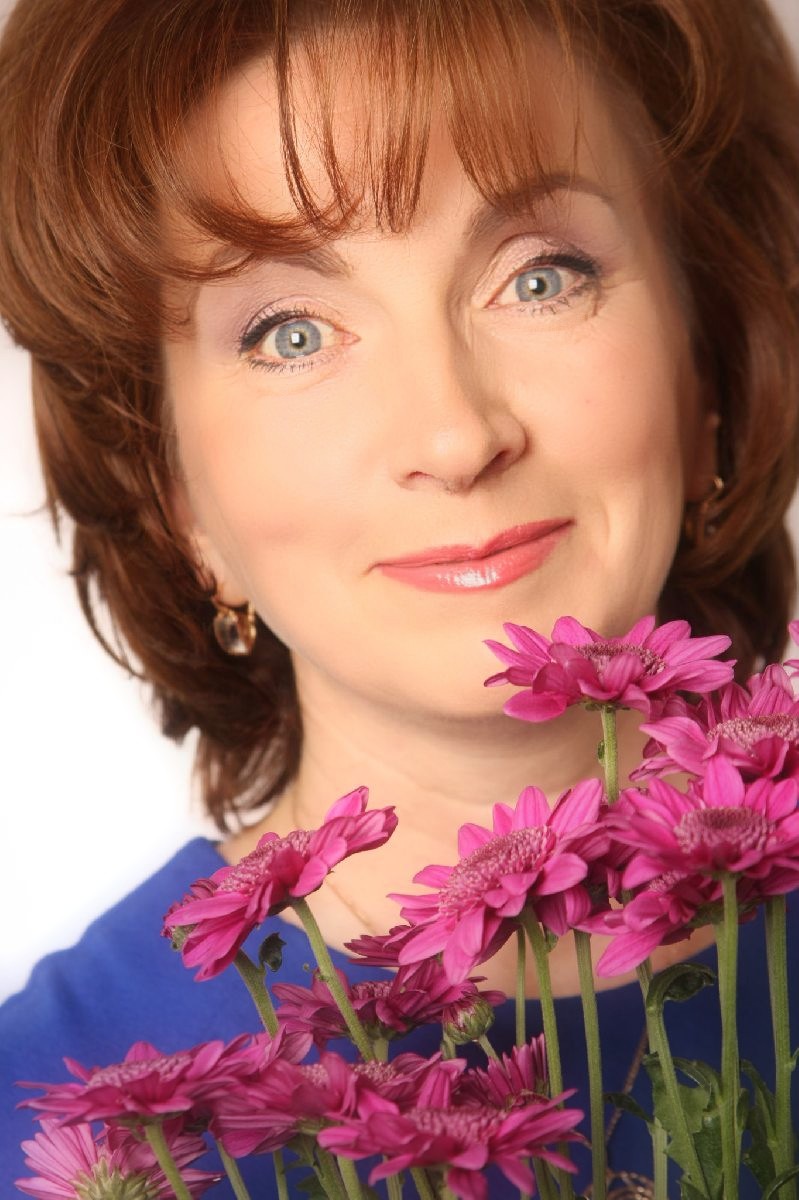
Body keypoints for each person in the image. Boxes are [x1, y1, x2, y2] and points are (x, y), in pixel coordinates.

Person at [1, 0, 798, 1196]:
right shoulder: (27, 1123)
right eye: (291, 334)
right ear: (174, 498)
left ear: (707, 372)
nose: (455, 435)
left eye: (540, 276)